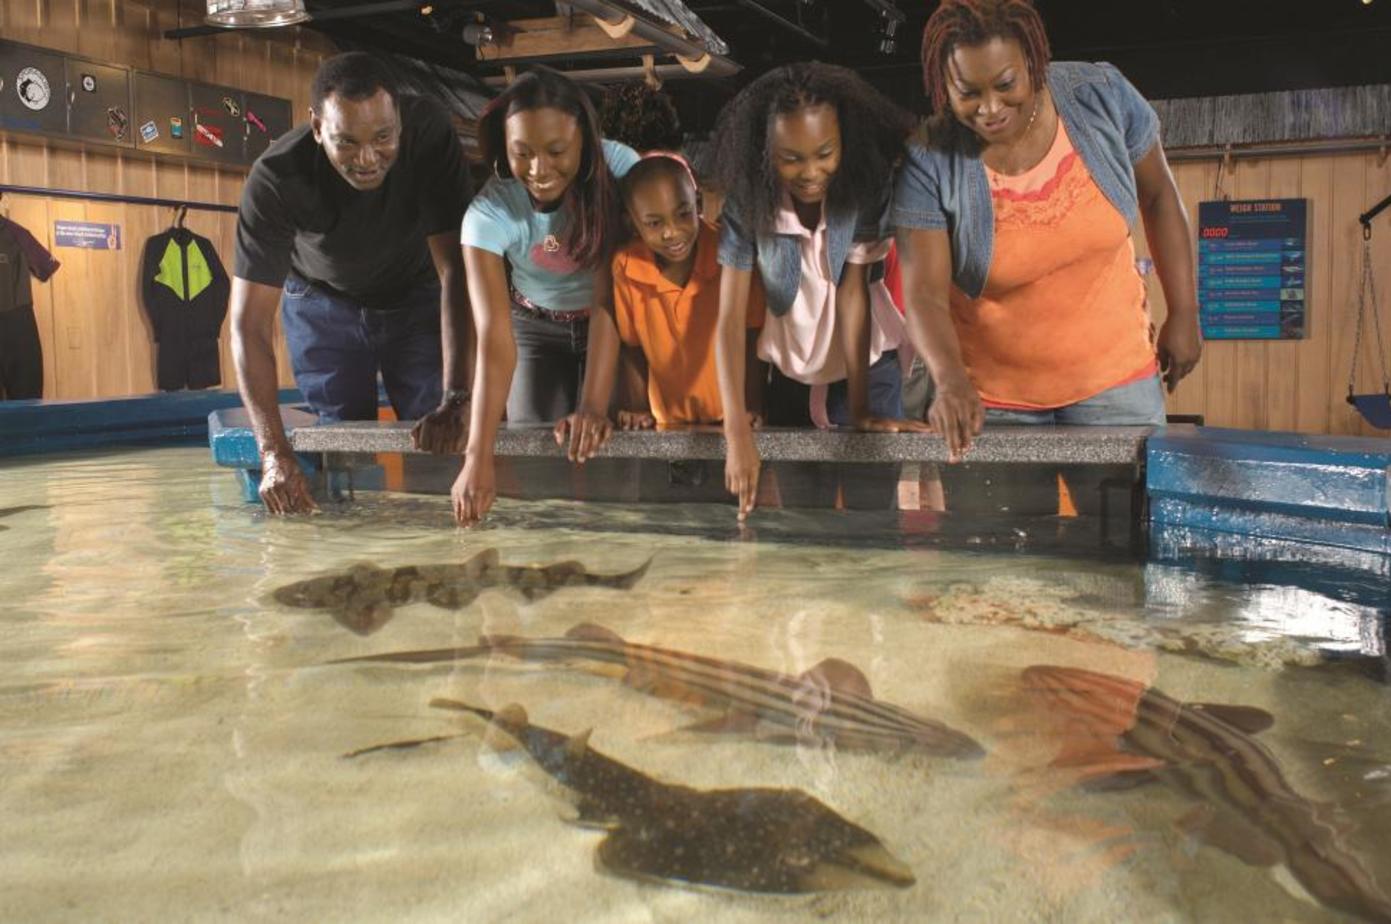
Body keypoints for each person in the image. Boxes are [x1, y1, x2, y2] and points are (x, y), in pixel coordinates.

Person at [893, 0, 1202, 462]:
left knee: (1122, 533)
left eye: (1005, 84)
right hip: (991, 400)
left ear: (1032, 63)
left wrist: (1185, 310)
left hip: (1116, 387)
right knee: (995, 537)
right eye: (968, 93)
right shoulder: (928, 160)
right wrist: (950, 380)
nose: (991, 108)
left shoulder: (1100, 95)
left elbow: (1158, 197)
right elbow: (925, 295)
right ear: (943, 85)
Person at [231, 51, 473, 515]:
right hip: (321, 302)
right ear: (317, 127)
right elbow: (248, 325)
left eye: (383, 137)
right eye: (346, 141)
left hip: (418, 295)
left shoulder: (429, 134)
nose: (367, 159)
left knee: (444, 436)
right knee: (344, 450)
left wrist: (459, 395)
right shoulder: (276, 178)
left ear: (400, 120)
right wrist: (272, 453)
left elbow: (457, 271)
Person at [707, 61, 932, 520]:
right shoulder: (747, 204)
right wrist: (737, 432)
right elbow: (729, 321)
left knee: (875, 522)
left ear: (844, 143)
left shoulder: (866, 189)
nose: (811, 171)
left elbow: (854, 296)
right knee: (802, 526)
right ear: (765, 151)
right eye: (791, 158)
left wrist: (862, 407)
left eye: (824, 153)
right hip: (790, 377)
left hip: (868, 368)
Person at [453, 67, 639, 527]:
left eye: (556, 151)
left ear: (585, 144)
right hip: (532, 328)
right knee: (537, 470)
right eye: (523, 154)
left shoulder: (621, 172)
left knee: (612, 461)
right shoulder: (487, 213)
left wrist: (594, 407)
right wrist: (478, 456)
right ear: (504, 149)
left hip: (611, 322)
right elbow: (494, 336)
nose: (539, 170)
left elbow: (611, 296)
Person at [554, 153, 766, 447]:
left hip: (732, 420)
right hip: (667, 422)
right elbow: (632, 348)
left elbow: (752, 336)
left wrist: (749, 407)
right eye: (654, 223)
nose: (672, 232)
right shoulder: (626, 266)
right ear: (634, 223)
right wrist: (639, 407)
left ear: (699, 204)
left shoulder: (731, 255)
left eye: (683, 214)